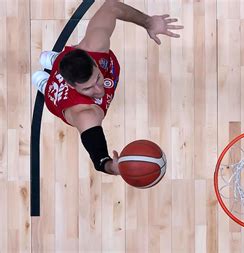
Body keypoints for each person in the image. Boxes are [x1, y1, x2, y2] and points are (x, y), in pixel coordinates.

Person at [31, 0, 183, 175]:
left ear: (94, 62)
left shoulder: (95, 47)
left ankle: (56, 61)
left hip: (72, 62)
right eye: (87, 89)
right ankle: (46, 83)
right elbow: (99, 158)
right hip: (58, 98)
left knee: (65, 60)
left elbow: (112, 6)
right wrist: (113, 167)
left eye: (97, 79)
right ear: (70, 85)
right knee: (47, 85)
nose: (98, 91)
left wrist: (149, 22)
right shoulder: (85, 115)